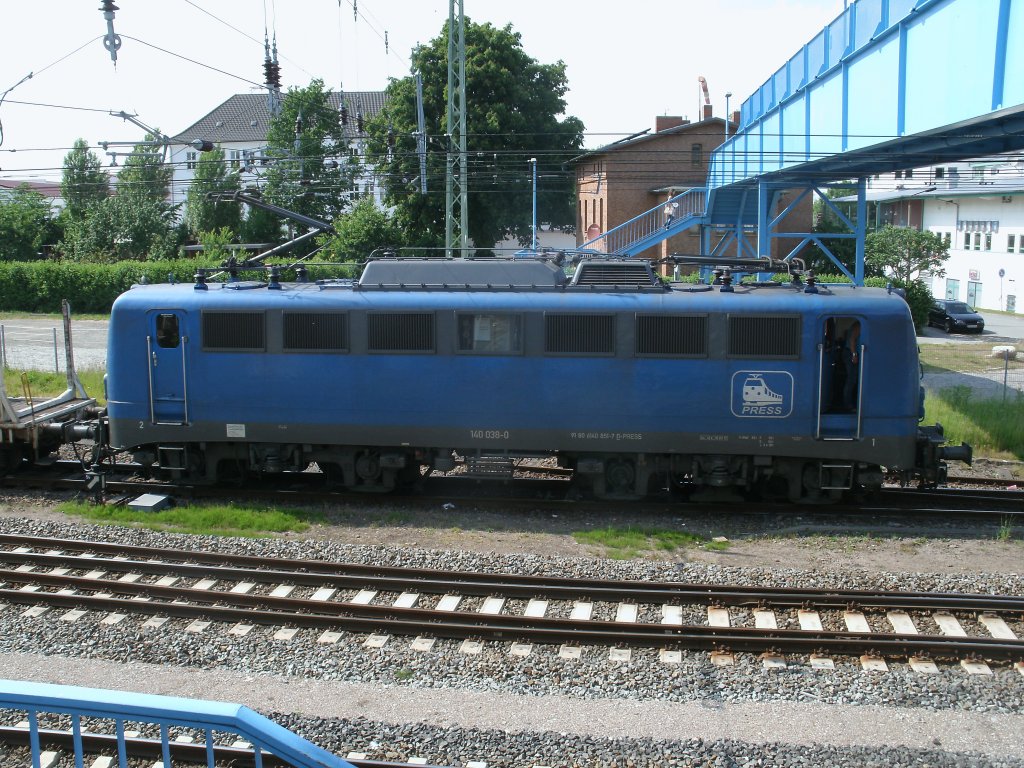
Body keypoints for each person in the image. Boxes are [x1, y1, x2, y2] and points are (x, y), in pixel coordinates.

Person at [841, 320, 862, 411]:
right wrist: (854, 354)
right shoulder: (858, 325)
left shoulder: (857, 324)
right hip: (850, 353)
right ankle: (848, 405)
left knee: (853, 379)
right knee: (851, 379)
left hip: (851, 353)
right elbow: (852, 339)